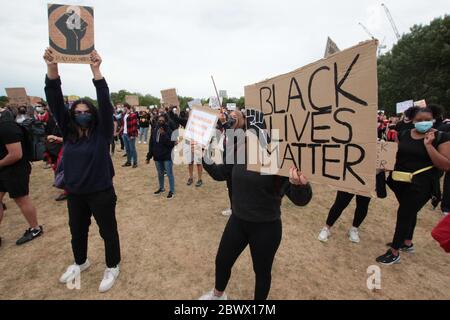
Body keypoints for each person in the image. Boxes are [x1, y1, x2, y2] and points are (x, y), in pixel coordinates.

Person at [199, 110, 313, 300]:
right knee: (222, 261)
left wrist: (299, 185)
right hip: (238, 221)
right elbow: (221, 174)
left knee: (261, 272)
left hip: (266, 227)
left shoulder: (278, 156)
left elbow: (301, 200)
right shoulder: (238, 149)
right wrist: (204, 156)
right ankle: (218, 296)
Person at [44, 48, 121, 292]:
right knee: (77, 231)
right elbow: (55, 98)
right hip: (75, 193)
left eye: (87, 112)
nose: (82, 115)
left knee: (108, 231)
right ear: (72, 116)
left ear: (93, 115)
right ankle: (81, 261)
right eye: (78, 113)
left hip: (101, 192)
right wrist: (52, 67)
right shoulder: (68, 134)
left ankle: (113, 266)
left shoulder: (103, 133)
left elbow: (105, 101)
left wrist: (96, 70)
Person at [376, 107, 450, 265]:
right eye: (419, 120)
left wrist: (429, 146)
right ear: (413, 120)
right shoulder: (403, 134)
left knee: (404, 213)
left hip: (422, 185)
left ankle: (394, 252)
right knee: (409, 211)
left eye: (427, 119)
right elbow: (395, 155)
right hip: (400, 182)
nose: (423, 123)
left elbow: (445, 165)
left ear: (434, 119)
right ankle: (407, 242)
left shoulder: (441, 137)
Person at [0, 106, 43, 247]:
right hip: (3, 169)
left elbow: (15, 154)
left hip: (14, 170)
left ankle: (35, 228)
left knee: (21, 199)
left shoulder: (7, 127)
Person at [146, 114, 175, 199]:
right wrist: (149, 156)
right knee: (160, 173)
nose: (160, 122)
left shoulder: (169, 131)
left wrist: (164, 135)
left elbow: (171, 144)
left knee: (169, 174)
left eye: (162, 120)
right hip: (157, 156)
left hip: (167, 156)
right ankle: (161, 188)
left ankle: (172, 191)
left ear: (165, 121)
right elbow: (151, 144)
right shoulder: (155, 130)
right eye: (159, 120)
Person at [121, 103, 138, 168]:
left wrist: (133, 135)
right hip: (124, 134)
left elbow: (134, 126)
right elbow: (123, 124)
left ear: (126, 107)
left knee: (132, 149)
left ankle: (135, 163)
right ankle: (128, 162)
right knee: (127, 149)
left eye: (124, 107)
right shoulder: (124, 114)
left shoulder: (133, 114)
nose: (123, 108)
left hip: (130, 134)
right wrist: (120, 132)